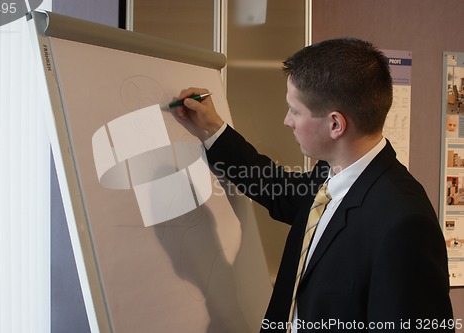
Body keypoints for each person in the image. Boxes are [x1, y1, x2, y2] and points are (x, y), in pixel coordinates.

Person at [175, 38, 454, 332]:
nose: (287, 121)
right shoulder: (330, 172)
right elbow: (278, 190)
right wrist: (214, 128)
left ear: (335, 124)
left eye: (295, 110)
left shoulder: (403, 222)